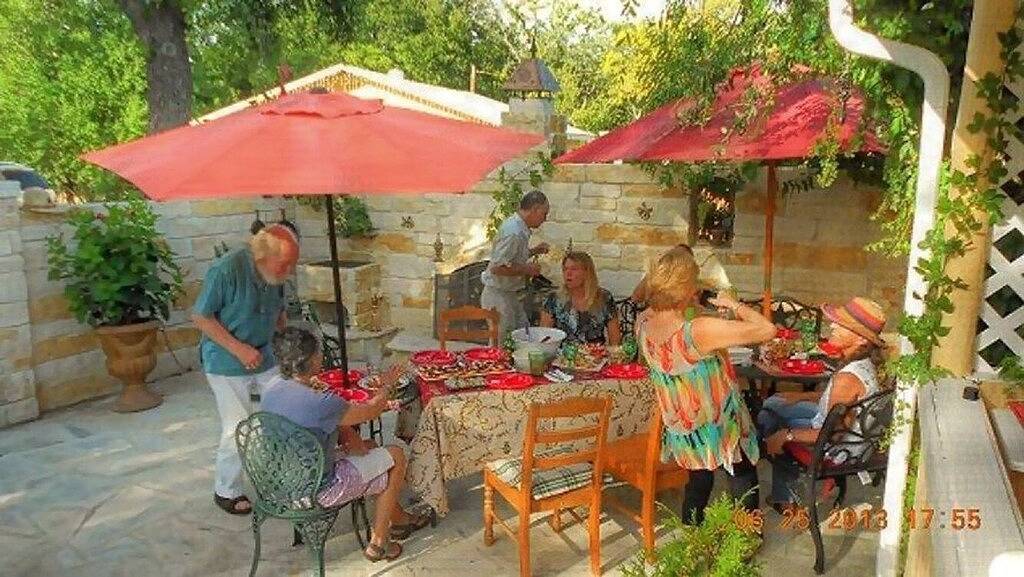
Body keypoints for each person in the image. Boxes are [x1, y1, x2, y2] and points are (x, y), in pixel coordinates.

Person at [261, 327, 431, 562]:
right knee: (396, 455)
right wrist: (387, 385)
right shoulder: (322, 403)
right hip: (315, 490)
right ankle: (380, 541)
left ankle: (400, 519)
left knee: (372, 448)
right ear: (312, 360)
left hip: (278, 480)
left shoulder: (271, 387)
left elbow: (327, 421)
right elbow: (371, 409)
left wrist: (354, 441)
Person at [635, 246, 776, 525]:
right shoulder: (697, 330)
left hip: (685, 426)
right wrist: (734, 305)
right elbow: (767, 330)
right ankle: (746, 539)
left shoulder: (644, 325)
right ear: (687, 287)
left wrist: (694, 307)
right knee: (743, 478)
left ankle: (691, 534)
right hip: (721, 424)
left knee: (699, 482)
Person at [192, 223, 299, 515]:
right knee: (238, 426)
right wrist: (239, 349)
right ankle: (226, 490)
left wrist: (284, 340)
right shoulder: (226, 270)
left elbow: (279, 312)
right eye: (285, 263)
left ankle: (275, 478)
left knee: (276, 419)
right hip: (226, 361)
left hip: (264, 356)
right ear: (263, 256)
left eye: (293, 263)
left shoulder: (274, 273)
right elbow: (201, 316)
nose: (289, 270)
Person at [757, 297, 887, 513]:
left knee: (770, 422)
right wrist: (800, 396)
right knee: (774, 404)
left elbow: (830, 434)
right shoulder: (862, 365)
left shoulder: (847, 378)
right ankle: (784, 490)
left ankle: (786, 496)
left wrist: (785, 435)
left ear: (861, 341)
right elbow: (837, 402)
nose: (832, 325)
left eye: (842, 325)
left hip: (837, 451)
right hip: (850, 438)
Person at [480, 190, 550, 335]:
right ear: (535, 209)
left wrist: (534, 251)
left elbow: (511, 258)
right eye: (544, 214)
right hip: (498, 296)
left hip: (508, 294)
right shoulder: (514, 232)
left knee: (523, 334)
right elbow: (498, 268)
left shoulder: (519, 228)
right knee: (503, 343)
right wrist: (527, 269)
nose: (545, 219)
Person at [539, 251, 621, 345]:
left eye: (574, 269)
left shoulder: (604, 297)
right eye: (565, 269)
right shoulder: (553, 298)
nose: (568, 273)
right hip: (562, 355)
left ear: (587, 272)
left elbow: (615, 338)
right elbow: (545, 337)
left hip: (595, 355)